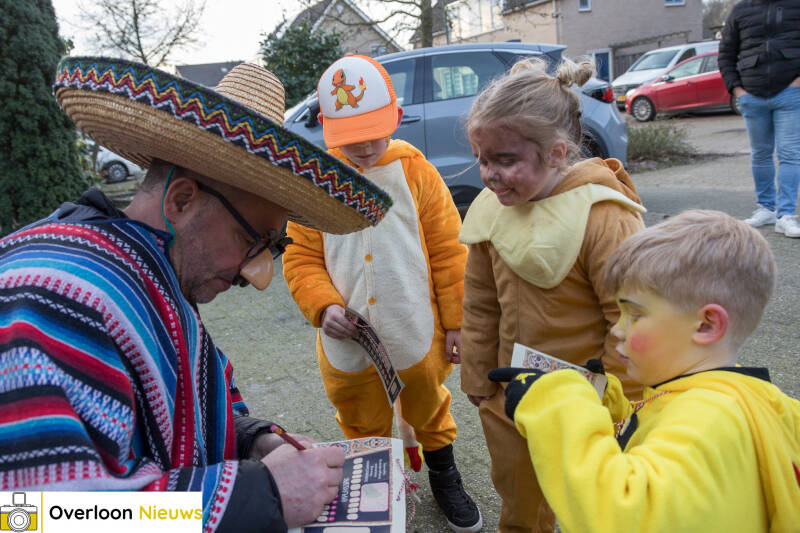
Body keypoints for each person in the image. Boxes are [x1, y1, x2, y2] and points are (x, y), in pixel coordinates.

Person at [0, 57, 395, 532]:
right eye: (252, 239)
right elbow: (37, 515)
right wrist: (265, 494)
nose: (258, 275)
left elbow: (176, 413)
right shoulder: (51, 299)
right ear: (182, 201)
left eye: (272, 248)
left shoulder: (144, 270)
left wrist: (253, 441)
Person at [488, 209, 800, 532]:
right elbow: (663, 436)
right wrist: (609, 405)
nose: (617, 330)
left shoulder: (708, 420)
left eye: (634, 315)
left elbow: (622, 515)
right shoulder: (733, 398)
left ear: (706, 325)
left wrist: (558, 404)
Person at [281, 54, 482, 533]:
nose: (365, 145)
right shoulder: (315, 181)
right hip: (348, 342)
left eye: (374, 131)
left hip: (415, 330)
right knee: (359, 414)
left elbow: (449, 250)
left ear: (395, 116)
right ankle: (375, 486)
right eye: (351, 135)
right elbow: (300, 256)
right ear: (327, 127)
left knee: (428, 404)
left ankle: (443, 474)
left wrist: (456, 322)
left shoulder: (416, 173)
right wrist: (323, 306)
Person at [459, 56, 646, 533]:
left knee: (597, 506)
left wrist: (622, 401)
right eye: (481, 159)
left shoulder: (603, 215)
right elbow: (480, 301)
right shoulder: (491, 211)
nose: (489, 174)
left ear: (557, 154)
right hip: (509, 397)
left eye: (505, 160)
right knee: (519, 499)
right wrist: (478, 377)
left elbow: (630, 317)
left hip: (590, 404)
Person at [718, 0, 800, 238]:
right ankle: (766, 209)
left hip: (790, 93)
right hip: (751, 95)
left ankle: (785, 215)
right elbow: (725, 54)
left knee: (790, 153)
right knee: (760, 154)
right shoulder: (740, 10)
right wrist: (737, 90)